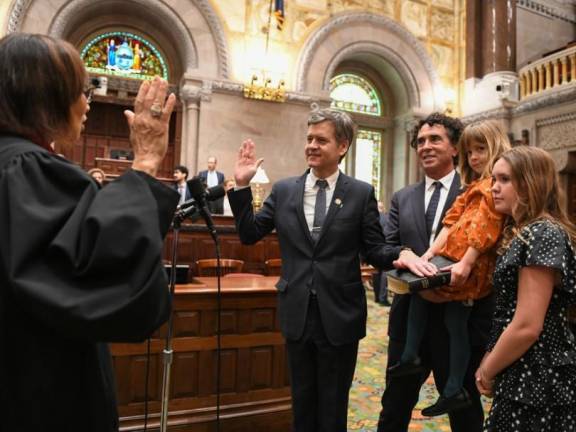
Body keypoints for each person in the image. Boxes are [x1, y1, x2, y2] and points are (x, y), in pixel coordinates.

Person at [0, 33, 178, 432]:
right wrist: (146, 163)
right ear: (47, 95)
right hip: (39, 397)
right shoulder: (29, 171)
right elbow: (108, 288)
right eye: (83, 89)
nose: (88, 102)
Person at [228, 108, 426, 432]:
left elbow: (374, 250)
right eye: (309, 139)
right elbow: (249, 234)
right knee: (302, 404)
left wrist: (401, 253)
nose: (312, 145)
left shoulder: (360, 193)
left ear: (342, 146)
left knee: (333, 407)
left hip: (340, 315)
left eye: (321, 140)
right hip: (297, 312)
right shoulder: (284, 190)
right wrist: (240, 186)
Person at [377, 113, 492, 432]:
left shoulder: (479, 191)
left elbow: (489, 245)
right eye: (421, 141)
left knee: (464, 412)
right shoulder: (403, 196)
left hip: (459, 321)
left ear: (456, 148)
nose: (425, 146)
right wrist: (406, 258)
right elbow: (387, 247)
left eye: (435, 139)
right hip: (408, 321)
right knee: (394, 409)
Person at [476, 146, 576, 431]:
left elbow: (527, 325)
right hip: (524, 365)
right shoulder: (526, 231)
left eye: (504, 180)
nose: (494, 187)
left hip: (538, 373)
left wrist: (488, 368)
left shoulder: (543, 232)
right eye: (494, 179)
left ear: (531, 182)